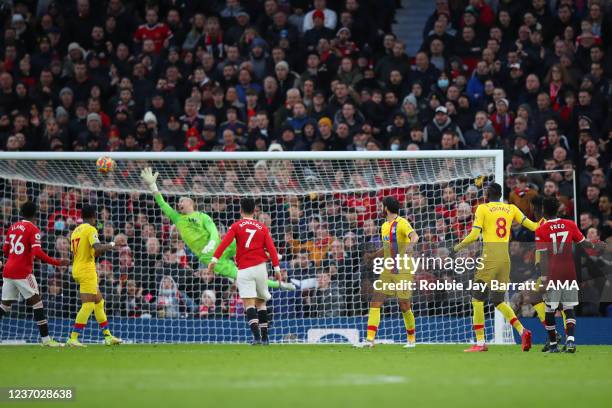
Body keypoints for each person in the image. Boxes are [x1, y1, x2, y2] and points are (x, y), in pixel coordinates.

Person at [140, 167, 295, 291]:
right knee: (243, 276)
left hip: (219, 247)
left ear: (191, 202)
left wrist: (211, 243)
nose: (179, 203)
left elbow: (214, 231)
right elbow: (161, 203)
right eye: (178, 202)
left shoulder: (203, 216)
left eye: (182, 200)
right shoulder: (177, 218)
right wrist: (152, 185)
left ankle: (268, 254)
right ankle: (279, 285)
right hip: (208, 258)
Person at [453, 183, 536, 352]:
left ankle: (480, 342)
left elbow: (474, 235)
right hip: (505, 260)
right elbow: (533, 226)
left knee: (477, 299)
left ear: (486, 194)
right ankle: (523, 331)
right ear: (500, 194)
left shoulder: (482, 208)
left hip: (489, 259)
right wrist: (547, 222)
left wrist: (456, 248)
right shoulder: (511, 208)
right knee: (498, 301)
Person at [536, 197, 607, 353]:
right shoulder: (570, 224)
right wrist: (596, 244)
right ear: (557, 209)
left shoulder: (541, 230)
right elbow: (585, 244)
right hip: (569, 272)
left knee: (549, 309)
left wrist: (543, 279)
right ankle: (570, 342)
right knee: (569, 308)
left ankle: (553, 345)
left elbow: (542, 258)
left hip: (553, 273)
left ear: (543, 210)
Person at [208, 197, 282, 345]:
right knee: (261, 303)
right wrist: (277, 268)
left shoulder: (236, 226)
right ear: (254, 211)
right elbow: (272, 249)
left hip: (244, 269)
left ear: (240, 210)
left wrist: (214, 260)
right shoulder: (262, 227)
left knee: (249, 304)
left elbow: (224, 243)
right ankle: (265, 338)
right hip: (261, 268)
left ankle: (256, 338)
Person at [0, 201, 68, 347]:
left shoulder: (12, 227)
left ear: (21, 213)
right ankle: (46, 340)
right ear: (35, 215)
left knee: (4, 306)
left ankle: (46, 340)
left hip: (8, 270)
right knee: (37, 303)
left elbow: (5, 251)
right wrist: (57, 262)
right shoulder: (33, 229)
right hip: (23, 272)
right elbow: (37, 252)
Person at [359, 196, 419, 349]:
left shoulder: (402, 222)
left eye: (381, 206)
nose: (380, 208)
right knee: (375, 301)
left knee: (404, 304)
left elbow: (414, 236)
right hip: (388, 268)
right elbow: (387, 248)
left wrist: (411, 245)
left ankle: (411, 339)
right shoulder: (384, 226)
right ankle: (369, 340)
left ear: (385, 208)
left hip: (403, 267)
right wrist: (372, 256)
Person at [66, 205, 122, 347]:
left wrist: (103, 249)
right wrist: (112, 244)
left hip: (77, 267)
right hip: (87, 270)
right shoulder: (91, 229)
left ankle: (108, 336)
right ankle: (73, 338)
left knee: (99, 302)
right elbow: (97, 247)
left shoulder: (75, 232)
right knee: (88, 305)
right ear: (93, 217)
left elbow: (90, 252)